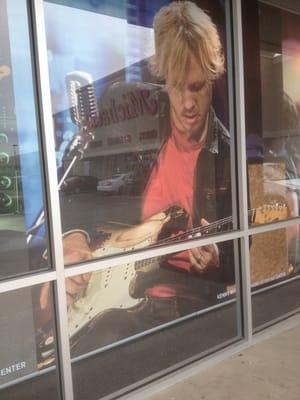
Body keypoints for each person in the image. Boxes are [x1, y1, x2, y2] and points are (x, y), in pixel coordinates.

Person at [38, 1, 234, 356]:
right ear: (162, 77)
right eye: (176, 87)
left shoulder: (229, 157)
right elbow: (75, 187)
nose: (188, 104)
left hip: (188, 309)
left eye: (197, 87)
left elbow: (246, 251)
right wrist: (73, 238)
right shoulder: (132, 114)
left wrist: (221, 258)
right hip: (109, 300)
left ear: (213, 79)